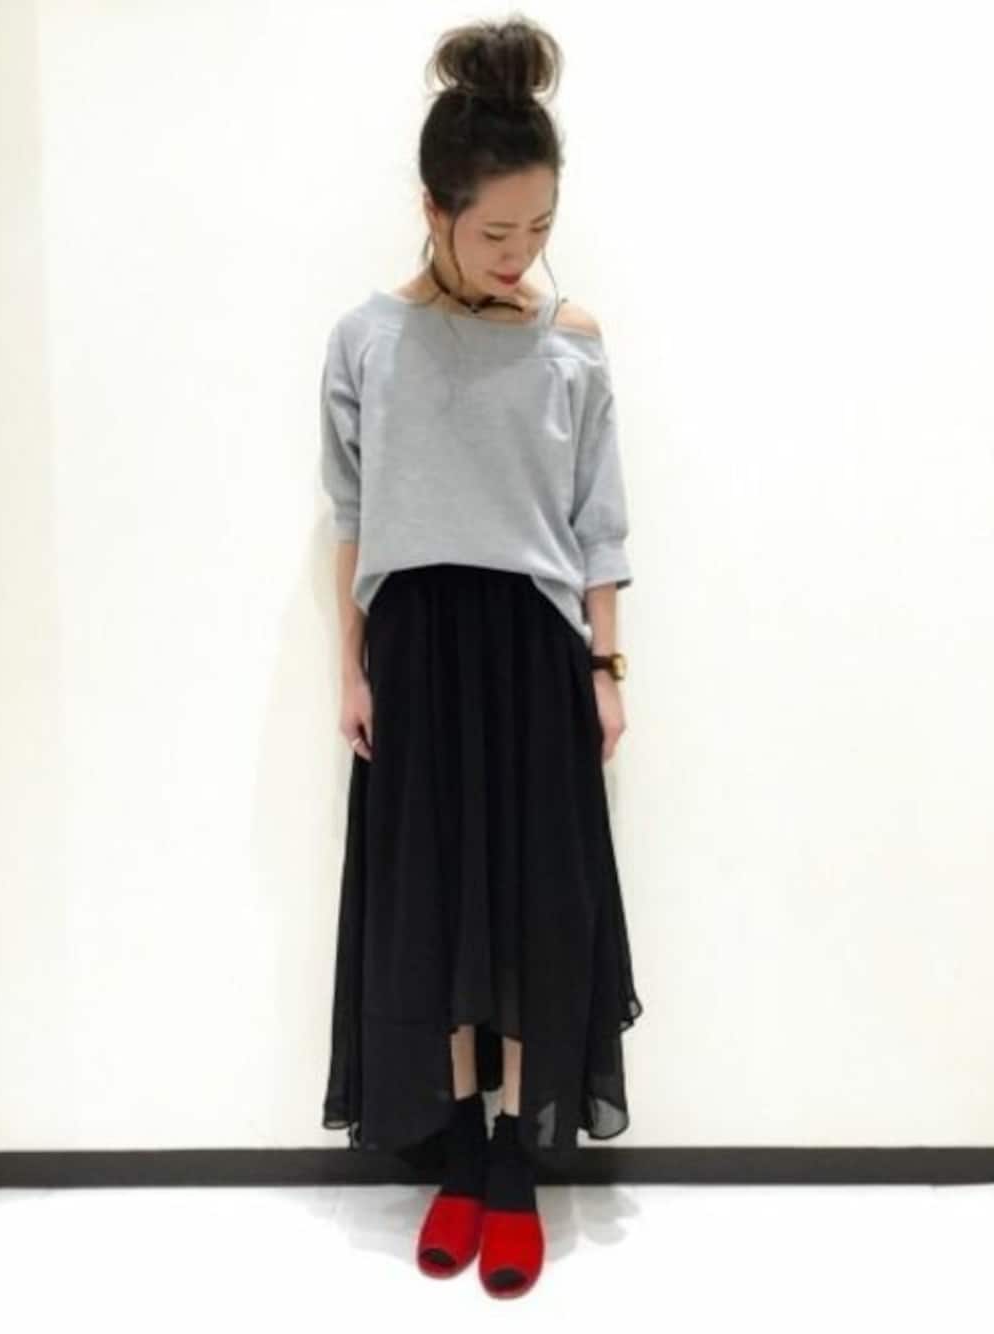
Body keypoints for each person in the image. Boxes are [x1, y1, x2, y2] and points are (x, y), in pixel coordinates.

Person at [318, 16, 643, 1299]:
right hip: (417, 648)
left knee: (527, 909)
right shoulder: (365, 340)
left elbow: (598, 518)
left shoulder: (573, 340)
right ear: (433, 210)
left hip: (531, 650)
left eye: (539, 228)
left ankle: (512, 1160)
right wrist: (351, 669)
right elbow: (351, 519)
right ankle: (455, 1152)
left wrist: (606, 668)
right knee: (433, 909)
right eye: (496, 230)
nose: (520, 254)